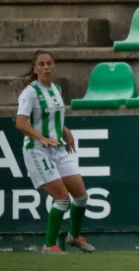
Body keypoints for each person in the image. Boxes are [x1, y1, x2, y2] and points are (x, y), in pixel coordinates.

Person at [15, 50, 95, 255]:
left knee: (81, 196)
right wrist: (41, 138)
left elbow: (53, 120)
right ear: (35, 69)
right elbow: (20, 123)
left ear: (54, 65)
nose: (46, 67)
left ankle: (74, 236)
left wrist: (65, 131)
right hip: (37, 151)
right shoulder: (30, 93)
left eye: (49, 63)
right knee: (62, 198)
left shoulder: (57, 89)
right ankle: (49, 245)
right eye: (41, 64)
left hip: (58, 148)